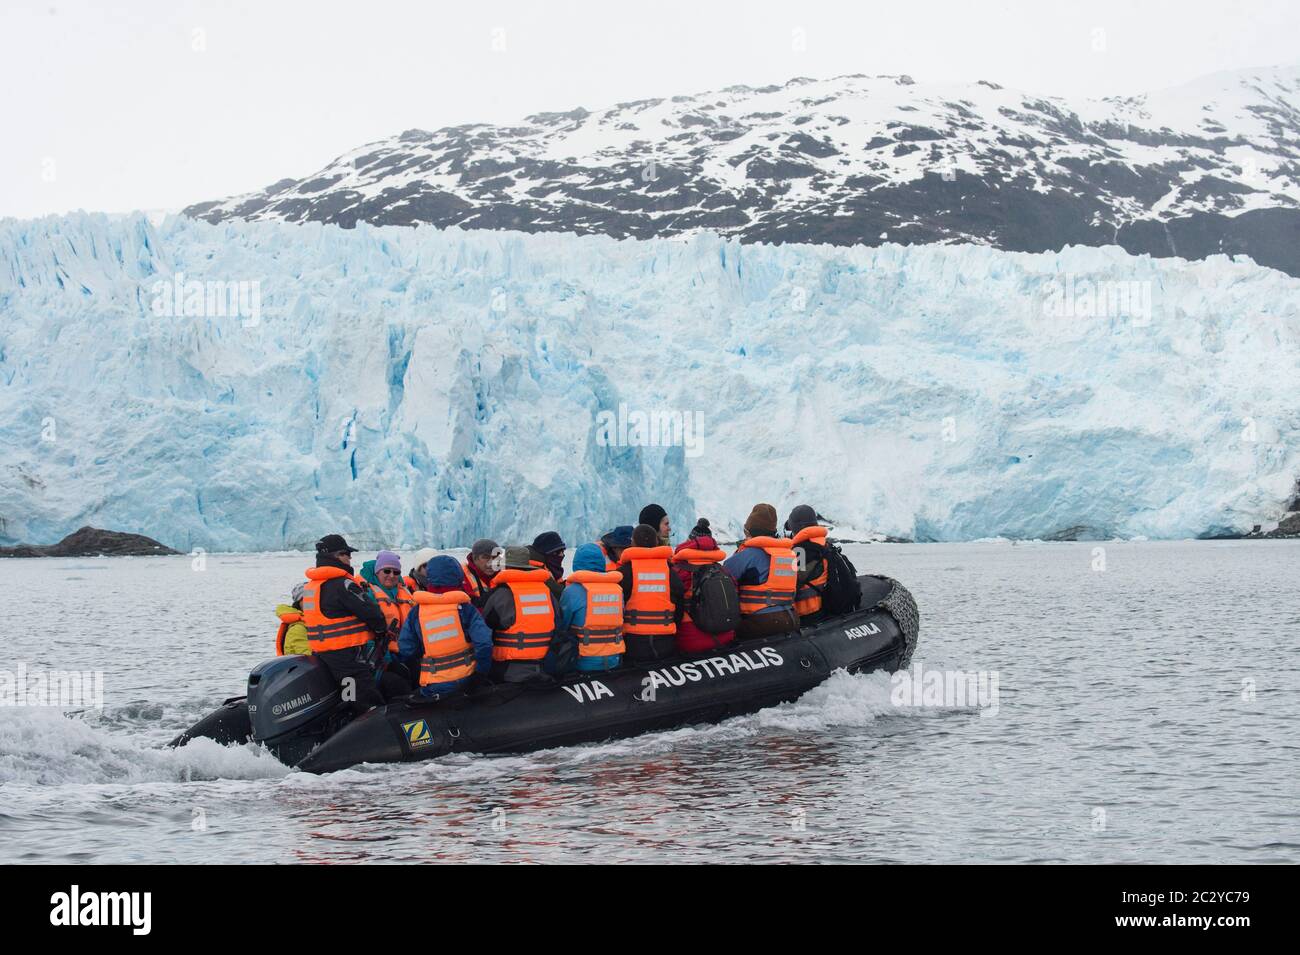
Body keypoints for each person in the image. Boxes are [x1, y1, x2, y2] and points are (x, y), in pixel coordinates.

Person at [300, 534, 398, 712]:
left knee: (347, 697)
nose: (350, 558)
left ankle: (342, 724)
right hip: (347, 658)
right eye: (346, 553)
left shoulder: (311, 587)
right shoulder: (343, 585)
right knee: (366, 700)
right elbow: (372, 613)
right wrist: (381, 630)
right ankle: (370, 731)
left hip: (322, 655)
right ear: (335, 556)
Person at [397, 556, 494, 698]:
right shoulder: (466, 609)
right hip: (468, 680)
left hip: (435, 685)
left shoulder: (416, 612)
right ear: (458, 577)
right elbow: (484, 643)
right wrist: (480, 674)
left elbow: (406, 648)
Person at [480, 546, 560, 683]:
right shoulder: (547, 591)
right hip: (545, 665)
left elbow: (485, 628)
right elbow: (559, 620)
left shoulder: (501, 594)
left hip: (508, 669)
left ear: (507, 567)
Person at [722, 504, 800, 639]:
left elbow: (723, 580)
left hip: (760, 622)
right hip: (791, 618)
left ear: (749, 531)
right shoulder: (789, 554)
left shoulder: (748, 555)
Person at [553, 543, 625, 674]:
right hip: (614, 659)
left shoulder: (572, 592)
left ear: (577, 563)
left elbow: (563, 625)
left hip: (583, 661)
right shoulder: (618, 590)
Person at [618, 524, 684, 662]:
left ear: (633, 543)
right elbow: (679, 611)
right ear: (656, 543)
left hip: (633, 645)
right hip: (665, 645)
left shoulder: (624, 573)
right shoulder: (670, 572)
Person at [671, 518, 735, 654]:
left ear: (689, 542)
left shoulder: (678, 571)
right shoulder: (723, 571)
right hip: (725, 636)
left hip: (690, 641)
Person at [359, 550, 414, 657]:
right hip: (382, 653)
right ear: (377, 572)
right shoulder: (368, 593)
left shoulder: (405, 591)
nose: (392, 575)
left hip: (407, 651)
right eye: (387, 571)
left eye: (396, 572)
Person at [785, 505, 829, 621]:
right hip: (822, 608)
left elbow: (787, 585)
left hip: (804, 613)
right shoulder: (824, 544)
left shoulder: (800, 551)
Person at [274, 581, 311, 656]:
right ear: (299, 602)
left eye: (314, 598)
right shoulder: (298, 628)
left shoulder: (312, 622)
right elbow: (308, 656)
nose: (311, 601)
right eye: (307, 598)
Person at [528, 531, 567, 600]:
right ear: (544, 553)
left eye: (562, 551)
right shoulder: (535, 570)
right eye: (557, 552)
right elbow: (559, 593)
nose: (562, 555)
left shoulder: (550, 568)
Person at [462, 538, 500, 606]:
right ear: (475, 558)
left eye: (495, 557)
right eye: (485, 557)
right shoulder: (462, 577)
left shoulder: (503, 577)